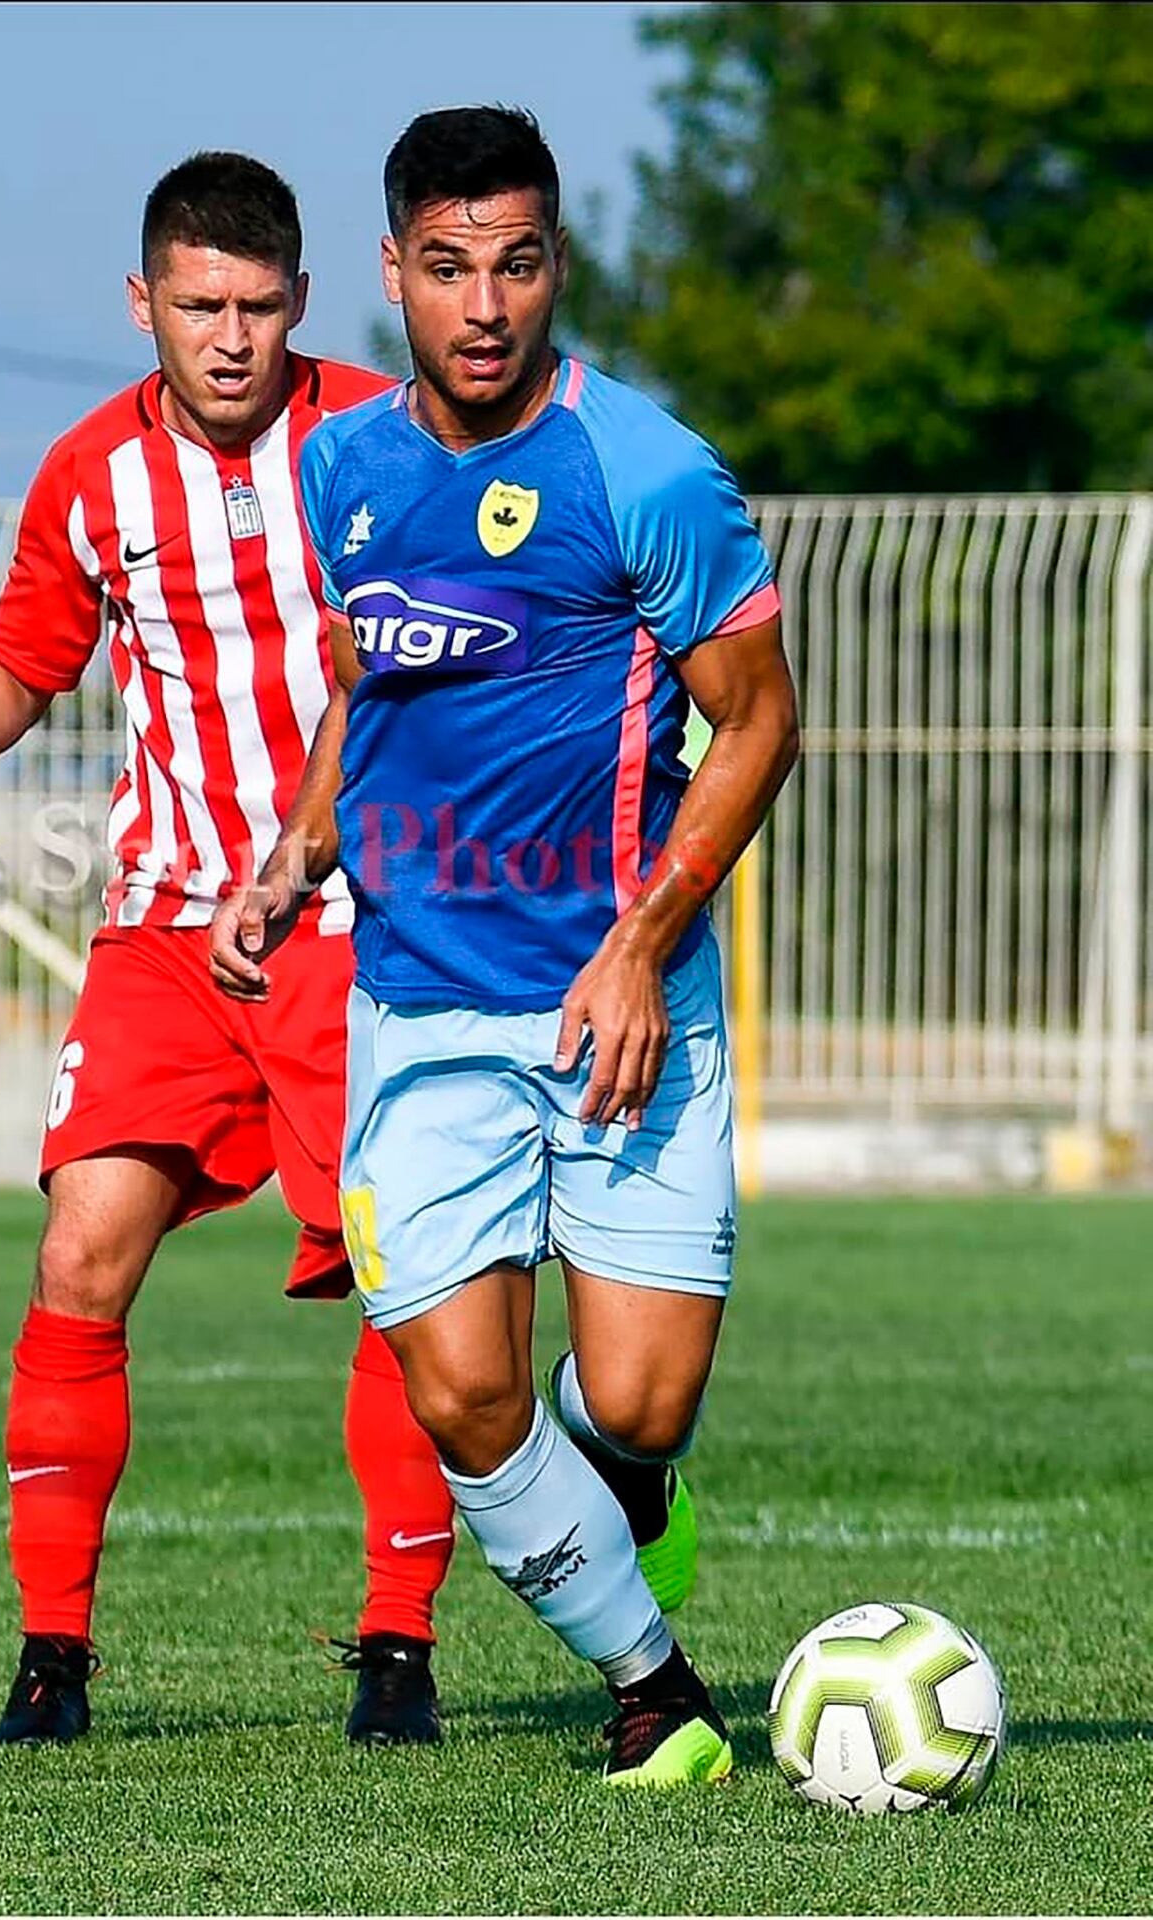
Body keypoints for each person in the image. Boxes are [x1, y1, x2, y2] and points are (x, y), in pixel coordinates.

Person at [212, 106, 800, 1785]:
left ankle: (631, 1493)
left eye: (518, 265)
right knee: (465, 1396)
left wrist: (642, 944)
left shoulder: (648, 471)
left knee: (640, 1407)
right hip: (417, 1010)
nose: (485, 305)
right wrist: (295, 855)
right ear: (394, 272)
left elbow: (759, 721)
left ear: (557, 269)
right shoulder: (338, 468)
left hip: (623, 1001)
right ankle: (657, 1693)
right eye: (449, 267)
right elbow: (370, 691)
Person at [0, 153, 456, 1747]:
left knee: (406, 1282)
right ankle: (52, 1658)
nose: (230, 338)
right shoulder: (87, 475)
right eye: (199, 307)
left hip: (359, 929)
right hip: (167, 934)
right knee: (79, 1254)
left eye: (256, 307)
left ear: (304, 301)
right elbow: (19, 669)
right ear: (144, 304)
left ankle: (397, 1647)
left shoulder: (386, 443)